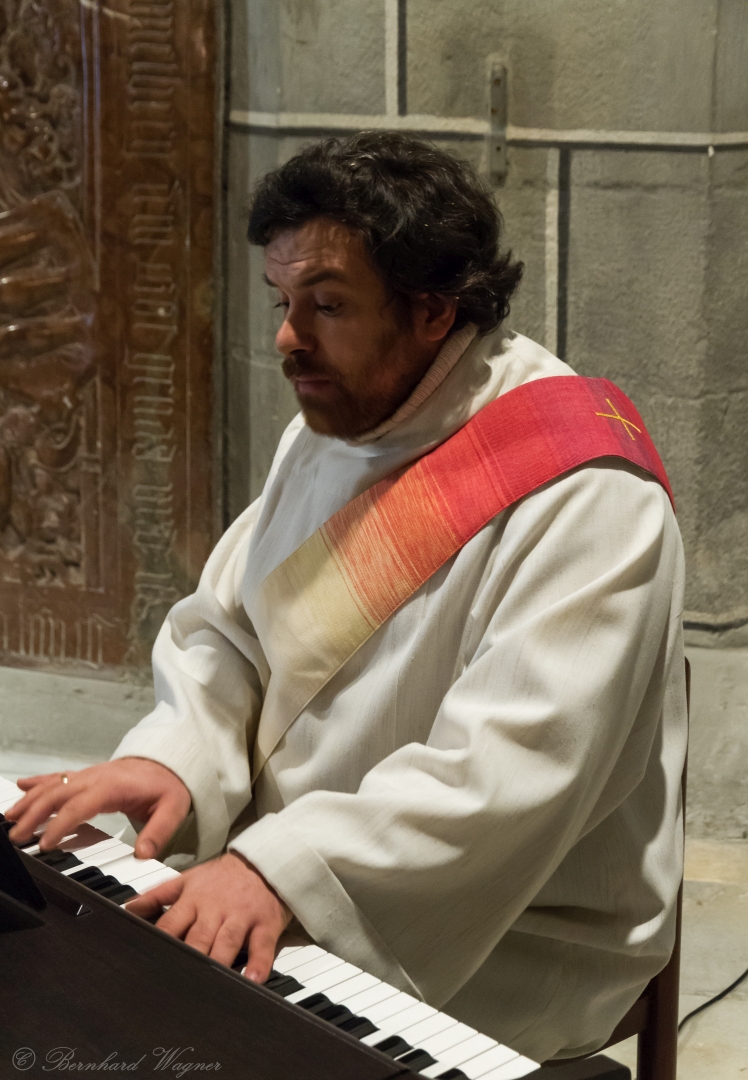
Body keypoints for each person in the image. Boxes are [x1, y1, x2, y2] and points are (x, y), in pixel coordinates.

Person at [6, 133, 687, 1064]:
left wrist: (285, 871)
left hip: (508, 921)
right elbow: (232, 632)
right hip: (292, 859)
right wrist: (174, 759)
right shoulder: (343, 419)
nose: (288, 338)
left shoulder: (588, 496)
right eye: (281, 301)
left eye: (326, 305)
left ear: (434, 310)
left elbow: (507, 775)